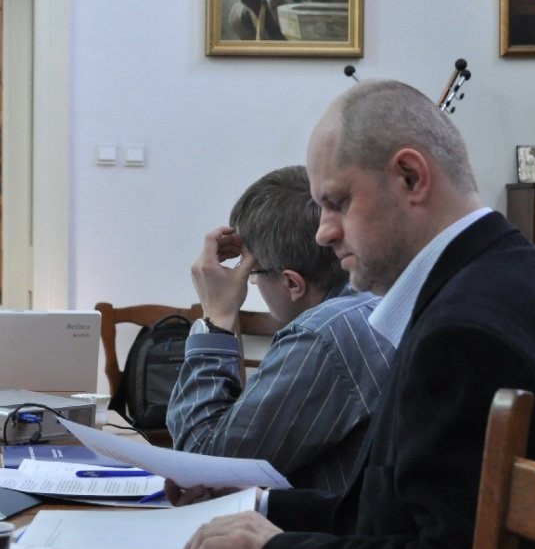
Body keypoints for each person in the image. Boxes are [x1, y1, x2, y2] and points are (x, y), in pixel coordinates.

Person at [176, 79, 535, 549]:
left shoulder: (466, 335)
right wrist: (260, 507)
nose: (323, 233)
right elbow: (401, 521)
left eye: (338, 203)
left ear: (411, 177)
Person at [166, 166, 394, 491]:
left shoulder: (323, 335)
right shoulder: (381, 302)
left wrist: (216, 319)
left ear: (292, 283)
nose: (250, 282)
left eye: (252, 273)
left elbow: (204, 465)